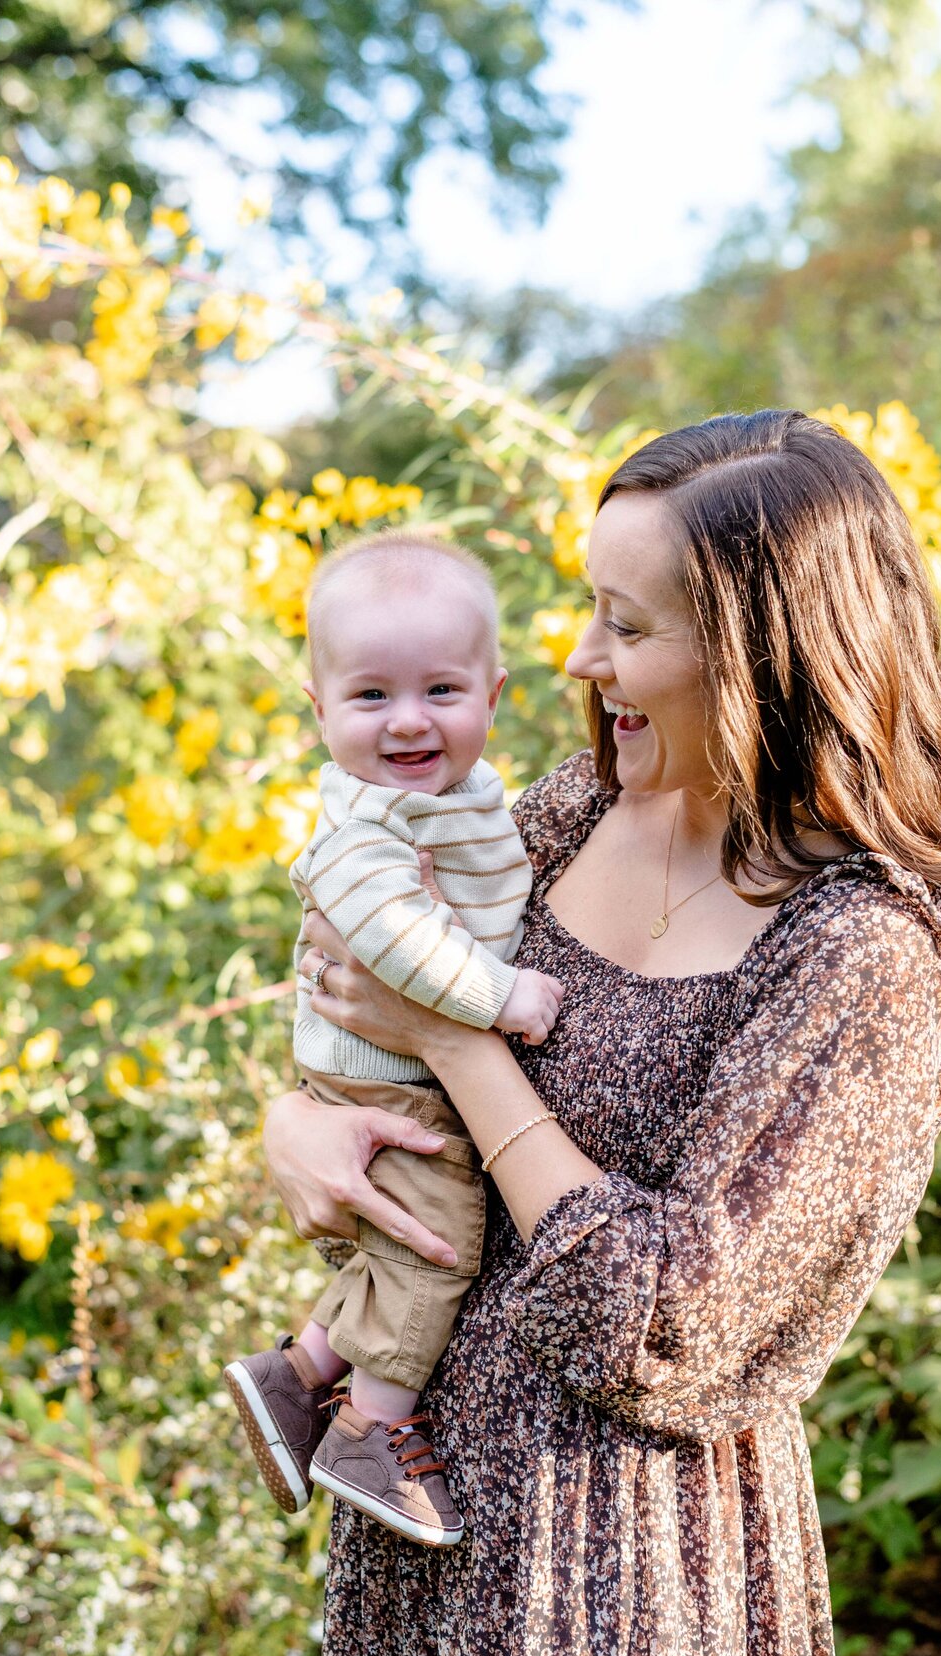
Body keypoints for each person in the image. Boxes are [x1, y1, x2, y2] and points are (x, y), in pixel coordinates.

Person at [262, 411, 941, 1656]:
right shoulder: (564, 810)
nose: (578, 659)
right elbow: (350, 983)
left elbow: (672, 1324)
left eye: (627, 624)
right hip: (425, 1512)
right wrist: (292, 1124)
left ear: (756, 655)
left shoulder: (863, 957)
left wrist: (468, 1049)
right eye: (586, 608)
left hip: (624, 1576)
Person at [225, 532, 563, 1547]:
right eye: (371, 697)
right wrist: (503, 998)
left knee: (395, 1230)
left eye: (441, 691)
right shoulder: (371, 828)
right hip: (387, 1068)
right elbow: (397, 949)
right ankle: (374, 1426)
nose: (409, 721)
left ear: (494, 694)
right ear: (319, 708)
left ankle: (299, 1373)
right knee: (439, 1230)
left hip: (385, 1061)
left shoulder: (462, 801)